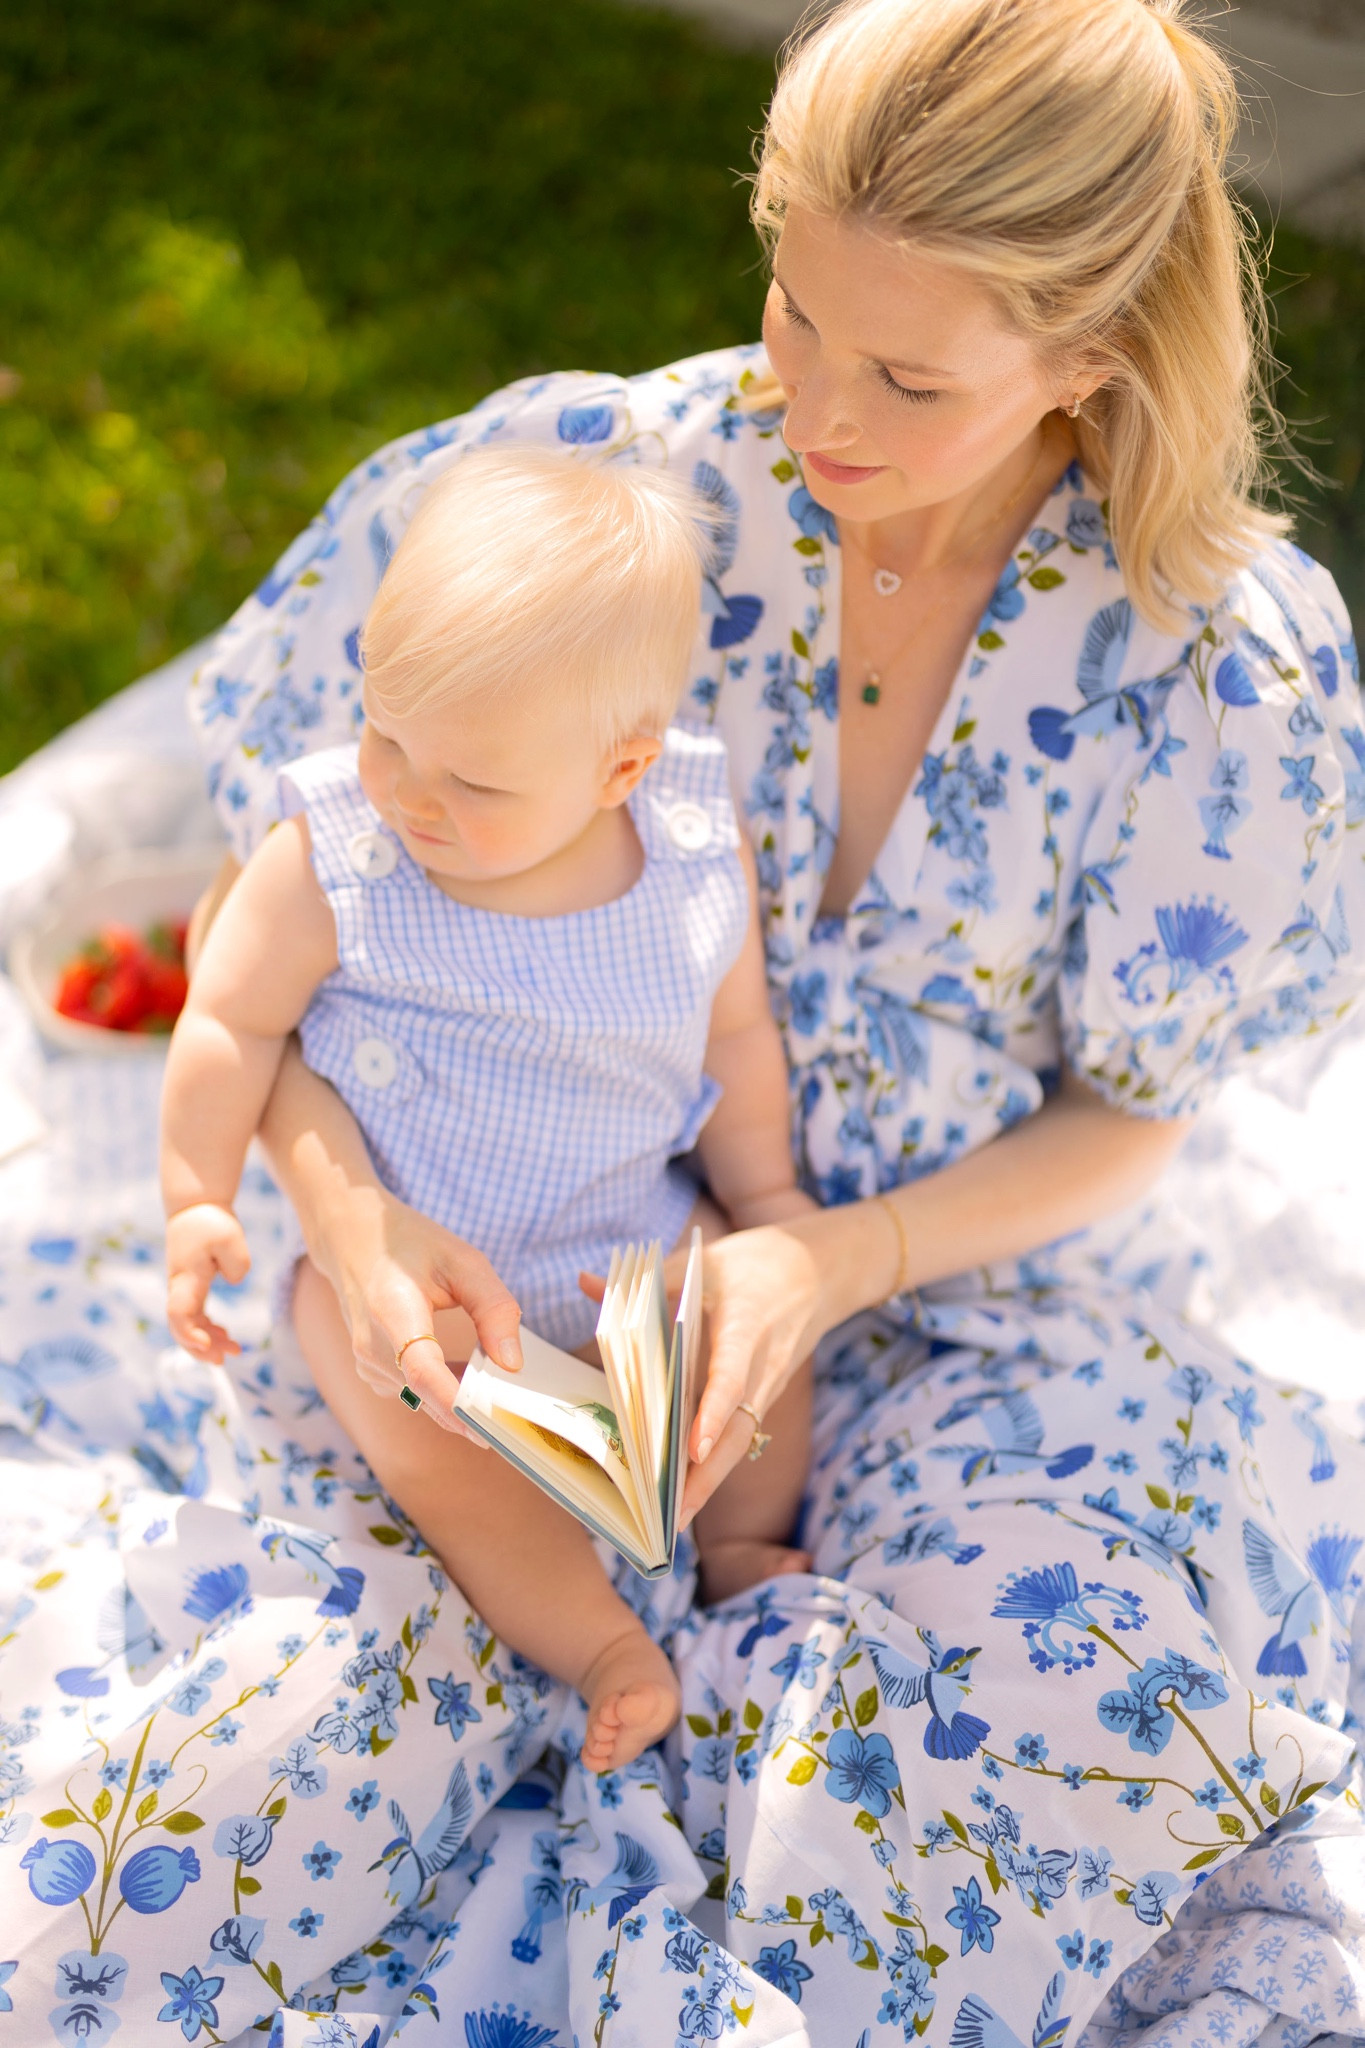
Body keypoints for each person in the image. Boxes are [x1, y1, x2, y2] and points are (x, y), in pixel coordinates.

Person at [12, 0, 1357, 2041]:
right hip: (496, 1265)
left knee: (1010, 1720)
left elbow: (1134, 1111)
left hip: (954, 1302)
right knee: (272, 1761)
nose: (809, 406)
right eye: (792, 305)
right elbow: (288, 904)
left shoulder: (1207, 665)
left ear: (1085, 352)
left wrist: (824, 1254)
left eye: (907, 372)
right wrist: (350, 1219)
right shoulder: (600, 498)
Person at [161, 447, 816, 1774]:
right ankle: (595, 1643)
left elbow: (735, 1038)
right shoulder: (339, 854)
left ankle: (741, 1538)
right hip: (411, 1282)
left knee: (753, 1345)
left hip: (625, 1233)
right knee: (442, 1459)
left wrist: (771, 1205)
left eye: (473, 782)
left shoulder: (688, 846)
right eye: (385, 732)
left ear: (619, 769)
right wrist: (195, 1197)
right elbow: (230, 1020)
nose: (409, 793)